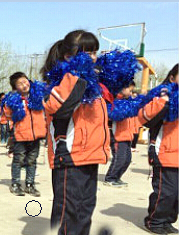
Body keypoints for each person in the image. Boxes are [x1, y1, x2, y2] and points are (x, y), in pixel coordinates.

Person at [41, 30, 110, 235]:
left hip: (90, 155)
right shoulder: (58, 81)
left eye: (94, 52)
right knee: (68, 213)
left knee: (84, 210)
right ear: (68, 56)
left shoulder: (93, 85)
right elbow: (58, 108)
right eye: (86, 53)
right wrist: (76, 74)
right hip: (70, 156)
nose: (92, 58)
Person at [140, 64, 178, 234]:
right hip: (165, 153)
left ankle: (168, 220)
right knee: (166, 192)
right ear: (172, 78)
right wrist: (163, 101)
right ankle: (154, 221)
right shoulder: (162, 98)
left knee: (177, 195)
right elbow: (146, 119)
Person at [3, 72, 45, 197]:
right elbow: (8, 115)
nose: (24, 84)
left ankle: (30, 184)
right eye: (20, 84)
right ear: (15, 87)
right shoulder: (14, 100)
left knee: (32, 160)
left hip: (36, 134)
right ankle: (15, 184)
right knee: (18, 160)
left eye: (25, 81)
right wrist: (10, 105)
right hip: (20, 134)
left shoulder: (37, 96)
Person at [104, 81, 136, 187]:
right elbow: (112, 115)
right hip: (118, 136)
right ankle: (110, 178)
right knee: (119, 158)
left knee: (127, 159)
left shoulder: (128, 101)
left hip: (127, 136)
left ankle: (117, 177)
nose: (131, 93)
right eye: (130, 90)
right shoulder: (115, 101)